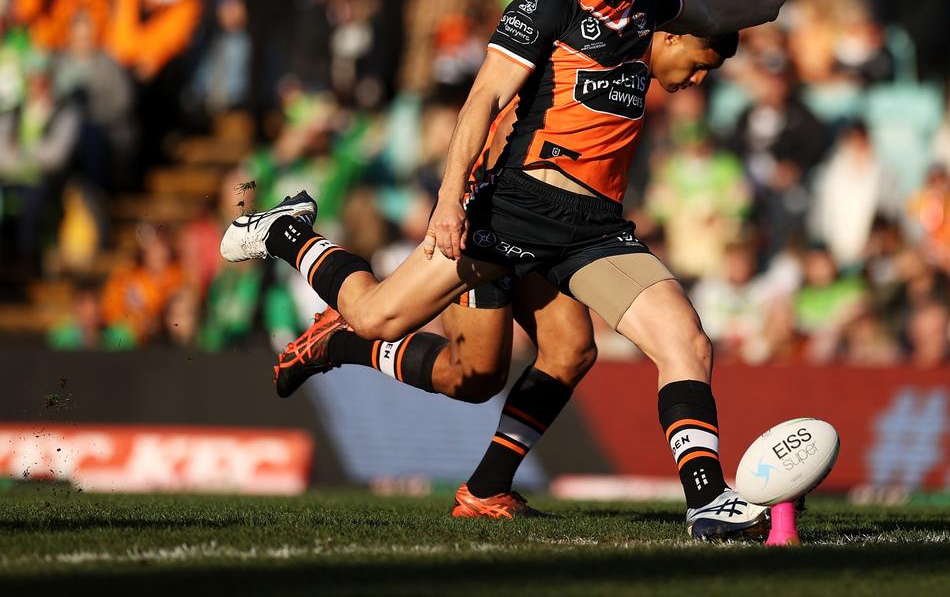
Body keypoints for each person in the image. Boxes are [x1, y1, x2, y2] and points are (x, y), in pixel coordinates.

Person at [221, 0, 796, 539]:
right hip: (511, 211)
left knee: (673, 342)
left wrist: (768, 6)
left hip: (593, 230)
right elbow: (482, 102)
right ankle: (288, 231)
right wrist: (446, 202)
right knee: (384, 320)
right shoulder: (543, 5)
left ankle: (705, 501)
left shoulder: (648, 2)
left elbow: (709, 9)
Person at [278, 27, 739, 520]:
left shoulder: (633, 60)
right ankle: (299, 254)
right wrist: (467, 198)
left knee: (570, 350)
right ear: (671, 37)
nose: (697, 78)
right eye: (698, 64)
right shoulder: (594, 35)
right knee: (469, 374)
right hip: (496, 219)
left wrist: (767, 3)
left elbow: (706, 7)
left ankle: (486, 487)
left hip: (553, 227)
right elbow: (497, 114)